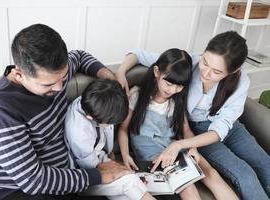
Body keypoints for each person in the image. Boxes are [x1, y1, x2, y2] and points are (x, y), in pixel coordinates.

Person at [0, 24, 133, 200]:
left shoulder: (54, 74)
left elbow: (79, 56)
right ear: (19, 74)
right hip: (11, 190)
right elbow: (33, 181)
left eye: (64, 78)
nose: (59, 87)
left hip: (60, 180)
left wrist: (111, 78)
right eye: (48, 85)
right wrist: (98, 175)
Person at [116, 31, 270, 200]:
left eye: (216, 72)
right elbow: (140, 55)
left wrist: (183, 145)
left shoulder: (240, 82)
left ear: (233, 71)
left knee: (265, 165)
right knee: (244, 174)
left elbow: (221, 128)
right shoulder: (186, 64)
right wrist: (120, 72)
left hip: (224, 128)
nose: (206, 73)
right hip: (196, 133)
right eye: (205, 62)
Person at [64, 79, 156, 200]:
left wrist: (118, 165)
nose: (111, 126)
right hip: (86, 174)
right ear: (90, 117)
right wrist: (121, 171)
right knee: (130, 182)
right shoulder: (79, 132)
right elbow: (94, 169)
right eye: (109, 123)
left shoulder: (98, 101)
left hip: (101, 158)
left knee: (130, 189)